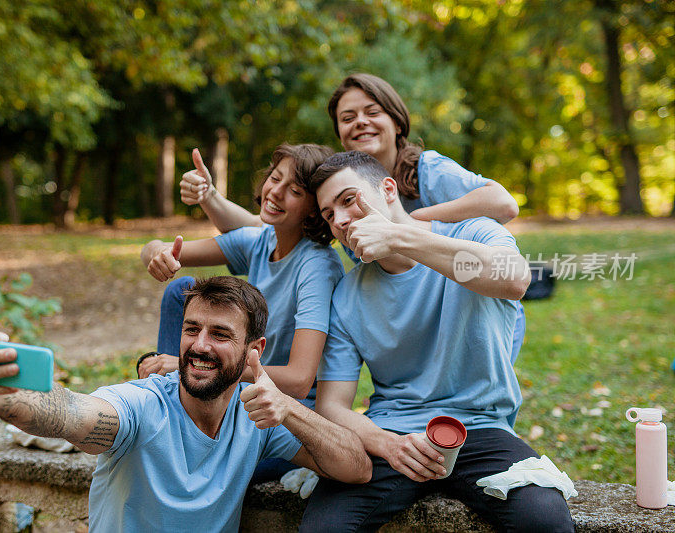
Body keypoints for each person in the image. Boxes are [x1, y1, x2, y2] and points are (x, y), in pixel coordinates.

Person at [0, 276, 372, 533]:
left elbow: (356, 467)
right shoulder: (143, 404)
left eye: (220, 334)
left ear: (254, 351)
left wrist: (290, 407)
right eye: (192, 328)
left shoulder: (256, 418)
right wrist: (10, 401)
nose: (200, 345)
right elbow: (73, 415)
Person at [298, 151, 574, 532]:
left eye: (348, 200)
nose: (341, 221)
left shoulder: (474, 232)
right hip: (391, 434)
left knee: (544, 521)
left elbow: (514, 280)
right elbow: (332, 406)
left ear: (389, 190)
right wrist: (387, 445)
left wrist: (399, 236)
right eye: (329, 215)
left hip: (482, 427)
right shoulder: (346, 295)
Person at [179, 72, 525, 365]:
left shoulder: (426, 170)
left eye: (372, 112)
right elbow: (262, 226)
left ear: (396, 120)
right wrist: (211, 199)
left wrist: (407, 222)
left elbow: (503, 203)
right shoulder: (338, 191)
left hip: (468, 308)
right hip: (408, 315)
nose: (360, 121)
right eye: (347, 118)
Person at [140, 144, 343, 483]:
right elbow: (162, 247)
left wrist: (188, 364)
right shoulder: (261, 240)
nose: (275, 192)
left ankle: (178, 412)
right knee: (181, 290)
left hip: (285, 411)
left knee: (188, 458)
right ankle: (172, 407)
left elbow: (298, 379)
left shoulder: (317, 266)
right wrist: (156, 255)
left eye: (294, 190)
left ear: (314, 209)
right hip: (240, 390)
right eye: (274, 178)